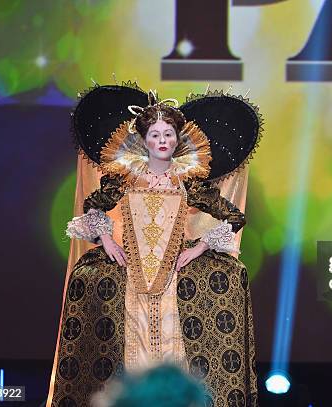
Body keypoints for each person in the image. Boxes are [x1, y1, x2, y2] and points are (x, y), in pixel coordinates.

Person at [47, 84, 260, 407]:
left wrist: (198, 248)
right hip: (132, 274)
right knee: (122, 327)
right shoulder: (125, 177)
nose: (163, 142)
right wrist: (107, 241)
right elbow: (93, 206)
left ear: (178, 139)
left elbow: (233, 217)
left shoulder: (186, 179)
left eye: (169, 135)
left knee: (176, 337)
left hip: (172, 278)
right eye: (156, 135)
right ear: (144, 139)